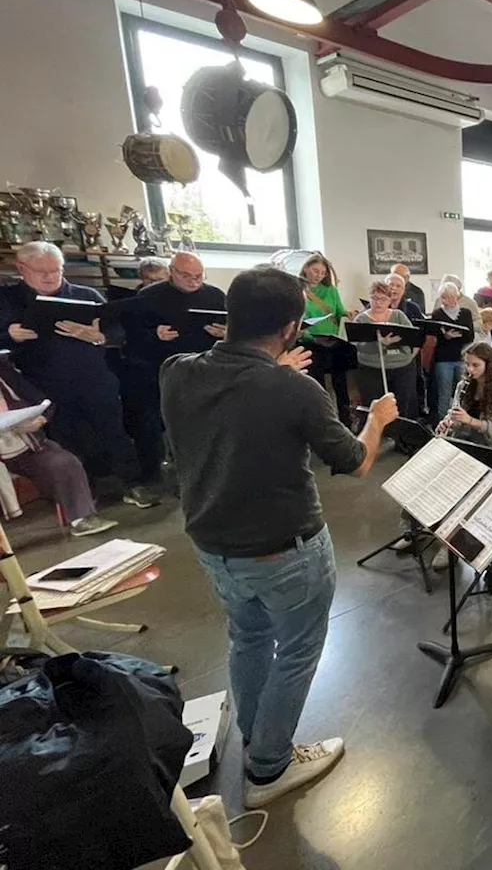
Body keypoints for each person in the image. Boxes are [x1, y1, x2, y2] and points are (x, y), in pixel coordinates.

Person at [161, 267, 400, 806]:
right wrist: (379, 419)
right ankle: (268, 767)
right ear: (292, 328)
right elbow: (358, 462)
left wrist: (277, 371)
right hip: (284, 549)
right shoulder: (296, 389)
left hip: (214, 547)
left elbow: (236, 404)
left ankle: (254, 736)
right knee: (295, 651)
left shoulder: (176, 371)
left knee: (247, 638)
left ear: (229, 316)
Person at [0, 241, 159, 508]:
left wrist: (99, 336)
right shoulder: (6, 301)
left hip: (94, 378)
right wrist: (10, 335)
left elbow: (118, 333)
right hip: (42, 383)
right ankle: (86, 494)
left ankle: (133, 484)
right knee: (66, 437)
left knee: (114, 433)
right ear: (21, 269)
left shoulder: (86, 294)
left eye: (56, 270)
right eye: (42, 271)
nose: (51, 276)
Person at [119, 251, 226, 486]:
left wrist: (225, 333)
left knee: (203, 424)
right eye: (186, 275)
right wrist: (154, 334)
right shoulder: (148, 296)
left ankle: (203, 473)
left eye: (199, 276)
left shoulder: (215, 295)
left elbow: (234, 328)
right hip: (159, 371)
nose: (193, 281)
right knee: (157, 424)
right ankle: (156, 476)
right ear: (171, 271)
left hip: (203, 369)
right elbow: (128, 335)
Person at [0, 356, 117, 536]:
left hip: (24, 443)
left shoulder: (4, 370)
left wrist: (39, 419)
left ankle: (82, 519)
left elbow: (42, 400)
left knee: (63, 462)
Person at [297, 252, 354, 426]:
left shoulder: (331, 290)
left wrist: (348, 313)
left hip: (332, 340)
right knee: (317, 386)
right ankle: (321, 423)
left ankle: (346, 422)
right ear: (306, 268)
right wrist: (309, 336)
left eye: (323, 272)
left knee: (340, 384)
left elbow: (338, 311)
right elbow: (297, 322)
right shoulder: (297, 289)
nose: (319, 275)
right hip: (310, 342)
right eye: (315, 271)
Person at [350, 280, 419, 419]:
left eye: (383, 299)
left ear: (390, 300)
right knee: (374, 406)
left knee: (402, 407)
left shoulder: (398, 315)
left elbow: (414, 337)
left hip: (402, 368)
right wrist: (378, 344)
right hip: (371, 369)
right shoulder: (361, 319)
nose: (378, 302)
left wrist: (410, 356)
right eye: (374, 298)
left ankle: (398, 437)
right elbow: (356, 345)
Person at [437, 342, 492, 448]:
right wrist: (448, 422)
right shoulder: (463, 385)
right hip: (462, 439)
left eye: (475, 365)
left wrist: (470, 420)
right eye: (467, 364)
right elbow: (457, 413)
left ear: (488, 365)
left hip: (489, 445)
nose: (470, 369)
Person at [428, 282, 473, 421]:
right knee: (444, 393)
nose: (450, 300)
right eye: (446, 297)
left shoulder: (465, 313)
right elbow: (433, 334)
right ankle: (444, 423)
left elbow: (470, 336)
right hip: (443, 359)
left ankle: (462, 422)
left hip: (461, 357)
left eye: (453, 297)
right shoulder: (437, 314)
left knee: (463, 392)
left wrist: (458, 336)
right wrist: (446, 336)